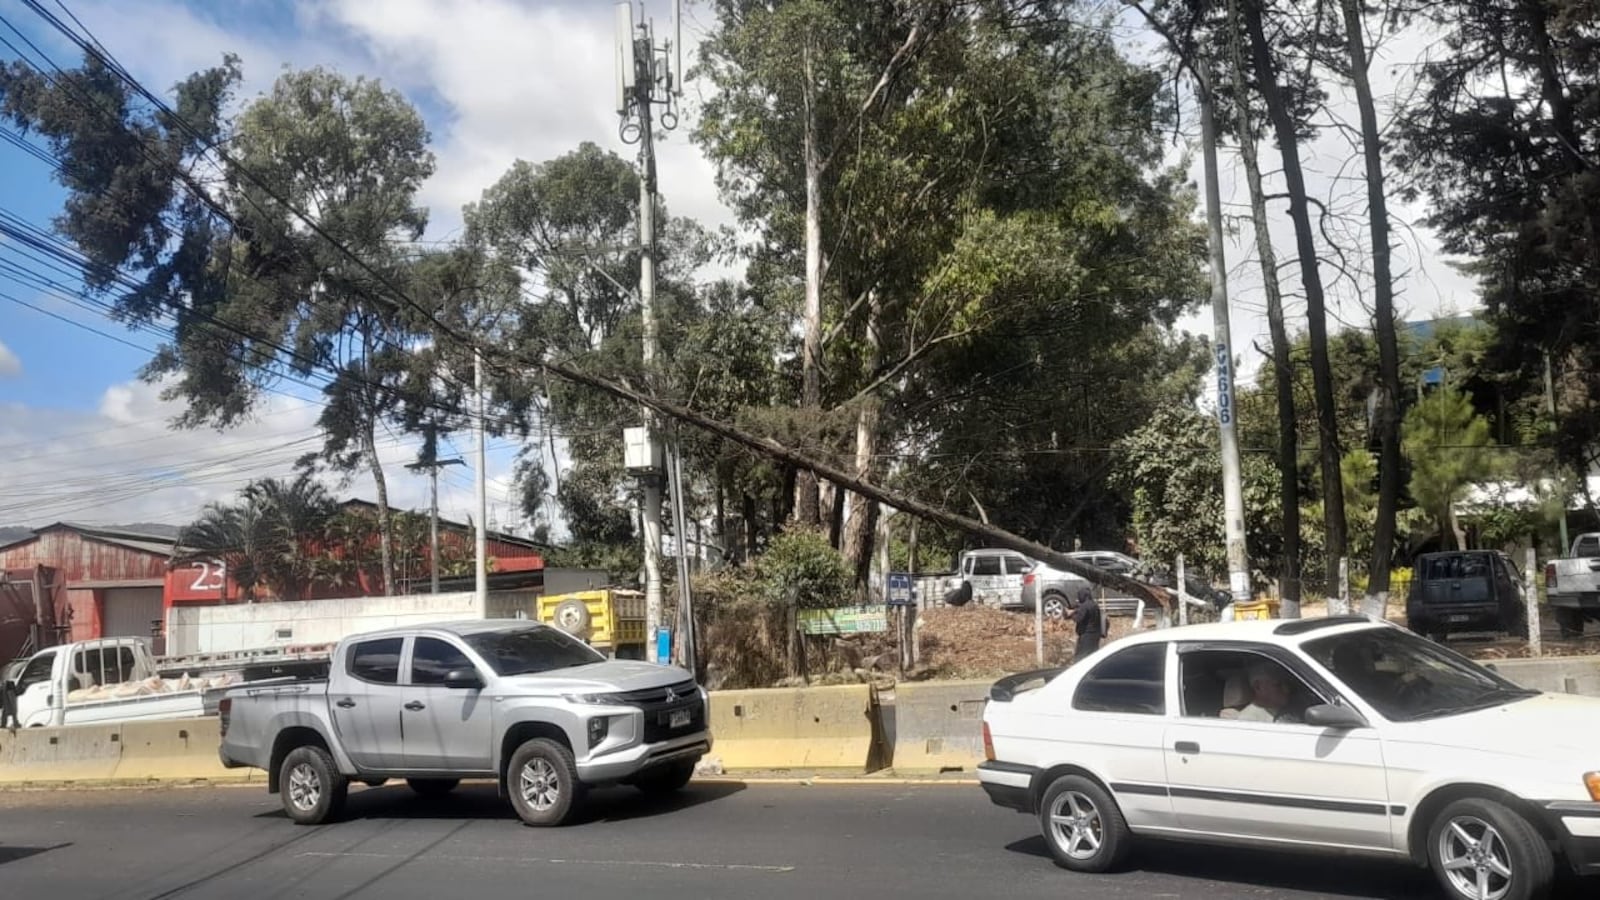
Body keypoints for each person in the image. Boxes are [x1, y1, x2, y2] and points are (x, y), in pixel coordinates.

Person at [1237, 662, 1301, 724]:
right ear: (1258, 686)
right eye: (1278, 685)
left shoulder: (1296, 704)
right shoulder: (1249, 720)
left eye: (1287, 684)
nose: (1287, 690)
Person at [1070, 587, 1105, 660]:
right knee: (1093, 656)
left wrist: (1071, 614)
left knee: (1081, 657)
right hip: (1095, 635)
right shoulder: (1095, 605)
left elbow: (1078, 619)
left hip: (1086, 635)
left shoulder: (1085, 606)